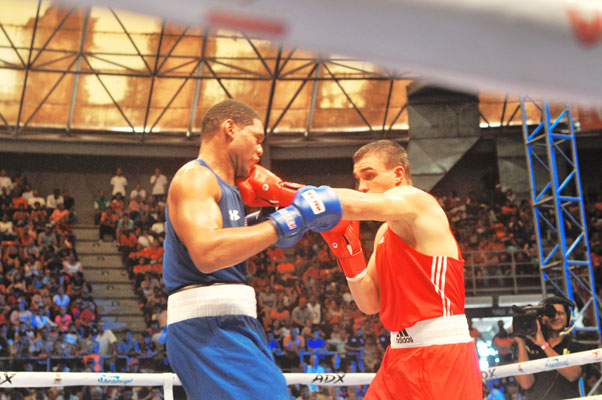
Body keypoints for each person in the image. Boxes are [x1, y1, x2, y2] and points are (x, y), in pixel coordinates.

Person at [163, 99, 342, 399]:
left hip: (226, 323)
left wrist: (257, 223)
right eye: (257, 138)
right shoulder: (196, 177)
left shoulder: (227, 187)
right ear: (229, 129)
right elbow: (207, 254)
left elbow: (217, 241)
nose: (261, 149)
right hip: (213, 327)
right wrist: (284, 222)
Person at [320, 140, 482, 399]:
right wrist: (348, 254)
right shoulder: (384, 232)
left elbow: (359, 205)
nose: (362, 186)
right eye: (358, 179)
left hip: (440, 352)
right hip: (398, 354)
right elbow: (369, 303)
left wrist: (291, 195)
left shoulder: (418, 201)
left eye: (369, 175)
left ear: (398, 174)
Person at [514, 296, 586, 399]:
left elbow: (572, 375)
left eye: (560, 313)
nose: (556, 317)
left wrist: (544, 345)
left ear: (568, 317)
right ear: (542, 319)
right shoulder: (528, 347)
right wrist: (521, 343)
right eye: (551, 314)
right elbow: (526, 384)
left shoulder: (577, 347)